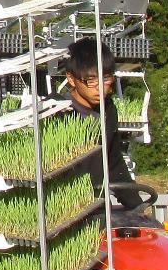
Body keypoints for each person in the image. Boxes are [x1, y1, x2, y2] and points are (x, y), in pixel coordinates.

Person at [61, 36, 145, 214]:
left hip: (97, 207)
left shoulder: (108, 110)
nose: (100, 88)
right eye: (91, 81)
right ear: (71, 79)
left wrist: (137, 206)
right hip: (63, 210)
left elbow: (113, 162)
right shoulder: (56, 113)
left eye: (106, 79)